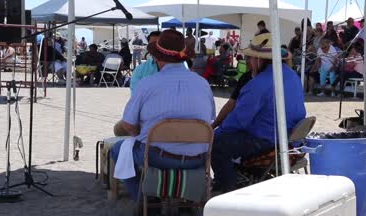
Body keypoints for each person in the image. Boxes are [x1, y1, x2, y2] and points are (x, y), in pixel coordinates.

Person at [110, 29, 215, 202]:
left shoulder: (147, 84)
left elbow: (128, 124)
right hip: (197, 158)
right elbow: (209, 120)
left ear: (158, 58)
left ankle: (146, 200)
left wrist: (141, 133)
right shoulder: (202, 83)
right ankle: (186, 199)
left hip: (157, 157)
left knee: (117, 150)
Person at [211, 33, 306, 193]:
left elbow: (237, 121)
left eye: (250, 59)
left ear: (259, 59)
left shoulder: (258, 84)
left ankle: (225, 189)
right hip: (291, 138)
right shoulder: (292, 76)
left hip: (268, 140)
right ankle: (240, 177)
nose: (248, 63)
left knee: (217, 142)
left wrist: (216, 131)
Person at [114, 31, 161, 137]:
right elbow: (136, 98)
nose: (157, 47)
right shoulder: (140, 70)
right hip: (147, 114)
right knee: (120, 130)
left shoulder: (181, 67)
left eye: (160, 44)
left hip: (169, 117)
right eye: (153, 44)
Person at [212, 56, 253, 129]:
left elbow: (231, 104)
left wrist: (213, 125)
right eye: (246, 57)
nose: (247, 61)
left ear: (258, 59)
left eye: (249, 58)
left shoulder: (247, 77)